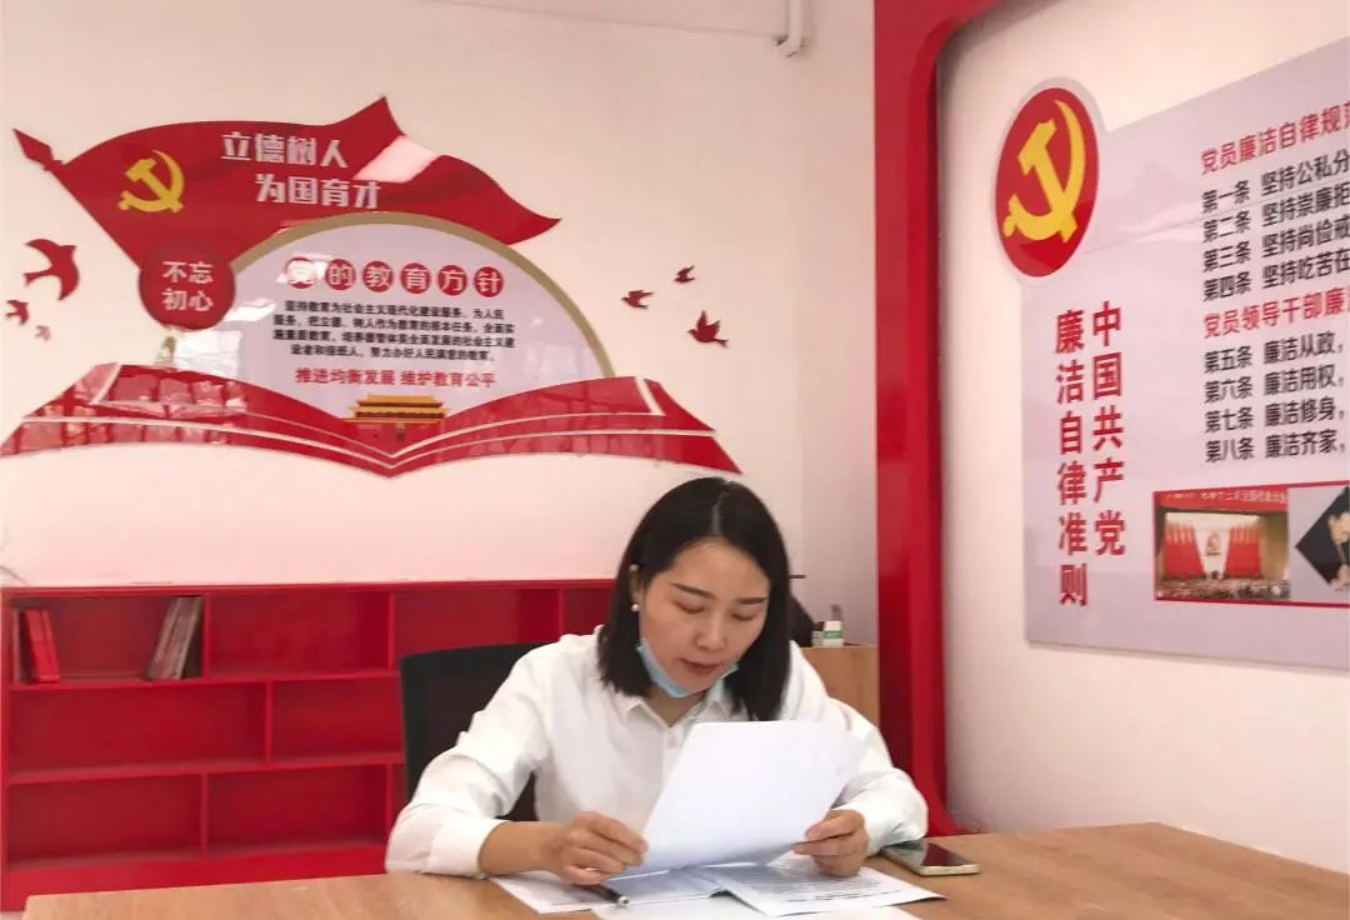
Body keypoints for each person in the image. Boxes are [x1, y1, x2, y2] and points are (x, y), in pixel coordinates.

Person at [385, 477, 927, 884]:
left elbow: (896, 795)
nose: (714, 639)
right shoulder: (554, 676)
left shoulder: (783, 676)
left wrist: (859, 828)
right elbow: (416, 836)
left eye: (745, 614)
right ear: (637, 586)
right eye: (690, 606)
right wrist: (544, 847)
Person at [1295, 487, 1350, 590]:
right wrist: (1339, 583)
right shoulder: (1308, 545)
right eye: (1344, 533)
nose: (1345, 539)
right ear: (1332, 520)